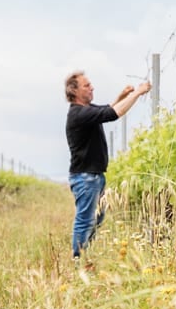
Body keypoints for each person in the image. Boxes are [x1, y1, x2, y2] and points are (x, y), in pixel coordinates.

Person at [64, 70, 151, 260]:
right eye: (86, 85)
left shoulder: (84, 112)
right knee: (85, 220)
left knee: (96, 218)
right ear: (75, 91)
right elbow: (113, 113)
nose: (92, 87)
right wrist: (138, 93)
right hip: (86, 177)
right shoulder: (79, 114)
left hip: (93, 176)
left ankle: (84, 255)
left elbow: (105, 110)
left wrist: (121, 96)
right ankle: (78, 261)